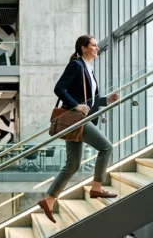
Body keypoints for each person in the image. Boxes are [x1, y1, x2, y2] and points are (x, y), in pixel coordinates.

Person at [37, 35, 120, 223]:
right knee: (106, 147)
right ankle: (97, 186)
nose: (97, 48)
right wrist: (75, 105)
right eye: (94, 45)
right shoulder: (77, 66)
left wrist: (107, 100)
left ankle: (49, 200)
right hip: (76, 119)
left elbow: (89, 100)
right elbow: (59, 88)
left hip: (81, 117)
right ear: (83, 48)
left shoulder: (89, 69)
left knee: (73, 164)